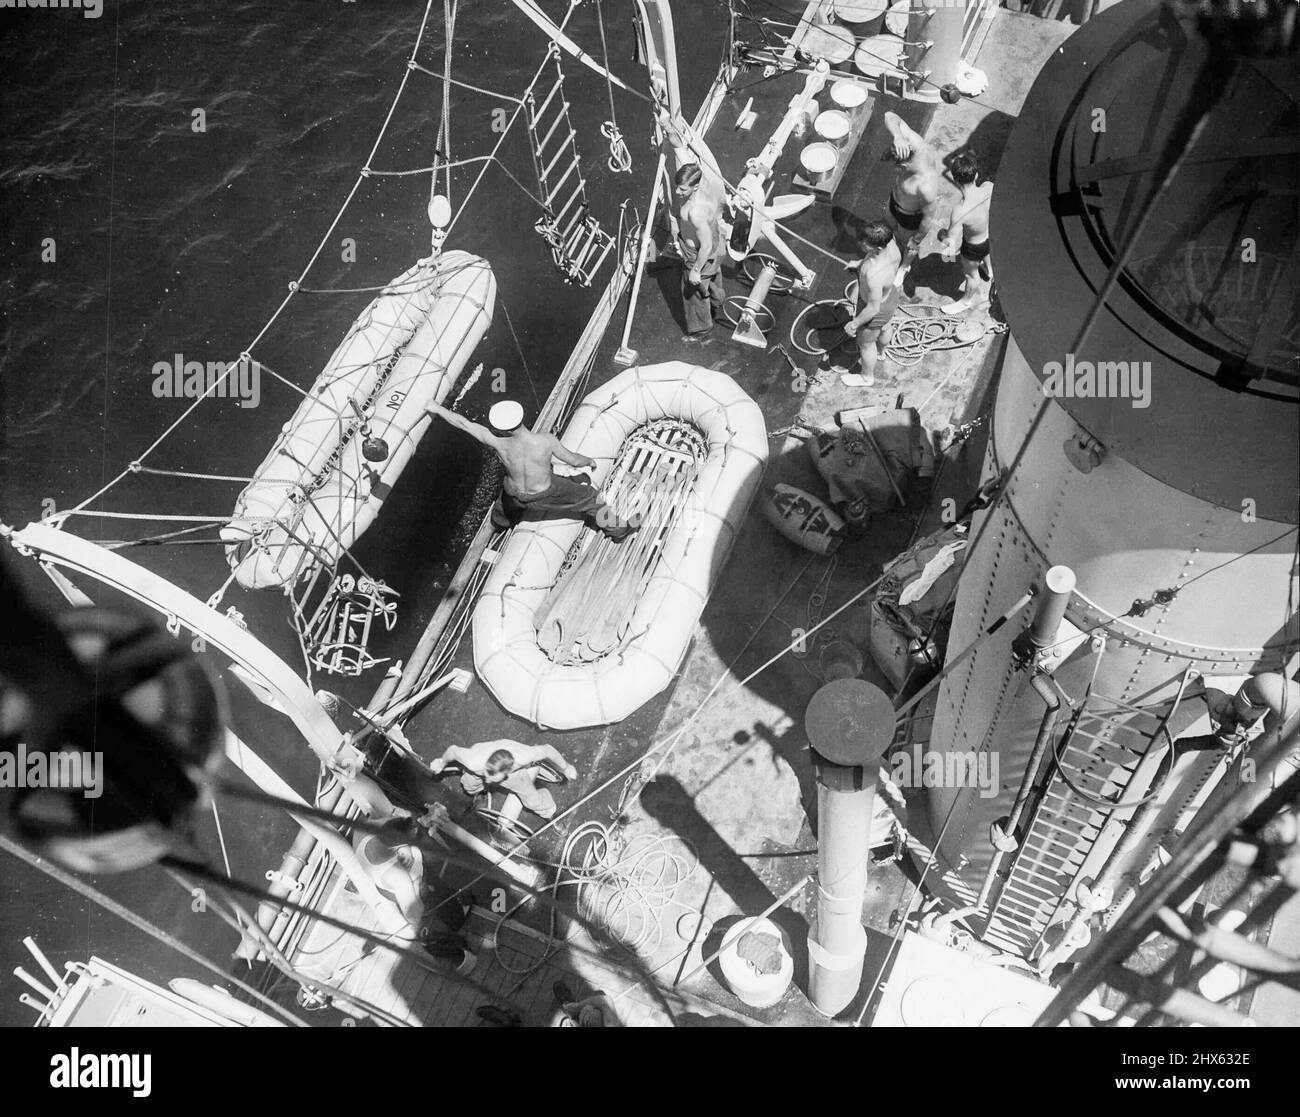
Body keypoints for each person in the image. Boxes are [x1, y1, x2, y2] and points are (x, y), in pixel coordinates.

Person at [425, 399, 639, 542]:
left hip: (515, 494)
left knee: (504, 502)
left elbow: (464, 424)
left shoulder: (498, 443)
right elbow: (573, 460)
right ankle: (618, 530)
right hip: (544, 493)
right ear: (521, 418)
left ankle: (499, 523)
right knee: (591, 498)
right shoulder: (546, 441)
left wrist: (437, 407)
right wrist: (589, 461)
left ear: (500, 428)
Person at [431, 738, 578, 820]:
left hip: (515, 775)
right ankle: (479, 792)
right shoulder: (473, 761)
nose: (488, 781)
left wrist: (566, 767)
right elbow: (453, 750)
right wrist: (441, 762)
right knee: (469, 786)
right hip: (477, 770)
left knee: (533, 801)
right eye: (488, 777)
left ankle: (549, 814)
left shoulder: (523, 756)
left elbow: (547, 749)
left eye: (493, 779)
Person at [882, 111, 944, 289]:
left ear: (903, 164)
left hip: (910, 218)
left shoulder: (926, 185)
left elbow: (928, 219)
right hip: (895, 202)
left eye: (897, 166)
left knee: (908, 246)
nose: (897, 169)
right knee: (888, 229)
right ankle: (890, 250)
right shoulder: (911, 142)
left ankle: (904, 267)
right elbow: (889, 115)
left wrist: (916, 240)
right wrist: (898, 136)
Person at [841, 221, 903, 388]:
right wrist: (859, 264)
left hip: (876, 309)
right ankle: (881, 353)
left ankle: (866, 378)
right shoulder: (890, 242)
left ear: (879, 247)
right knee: (885, 326)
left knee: (866, 344)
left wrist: (854, 324)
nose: (860, 244)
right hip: (890, 298)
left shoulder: (874, 275)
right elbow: (873, 257)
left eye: (865, 243)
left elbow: (872, 309)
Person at [674, 163, 726, 341]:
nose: (677, 192)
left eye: (682, 189)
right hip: (716, 242)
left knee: (693, 292)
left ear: (695, 186)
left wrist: (695, 270)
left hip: (699, 253)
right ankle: (717, 302)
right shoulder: (702, 186)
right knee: (712, 277)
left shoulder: (696, 212)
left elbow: (706, 246)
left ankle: (701, 331)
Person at [938, 151, 993, 315]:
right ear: (976, 175)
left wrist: (945, 250)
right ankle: (990, 271)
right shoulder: (989, 187)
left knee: (971, 276)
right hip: (990, 237)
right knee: (987, 252)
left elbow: (951, 242)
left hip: (973, 248)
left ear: (955, 180)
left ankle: (966, 301)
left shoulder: (960, 210)